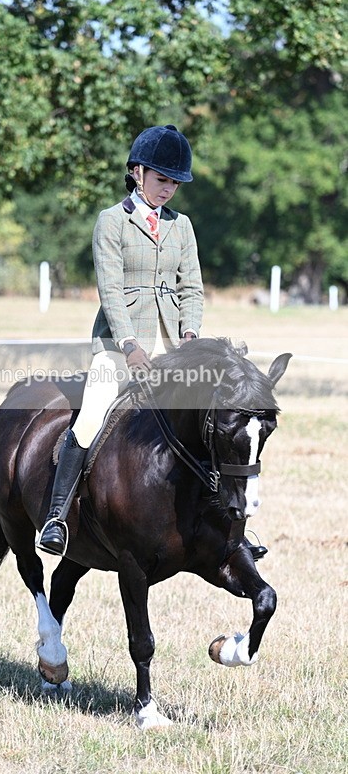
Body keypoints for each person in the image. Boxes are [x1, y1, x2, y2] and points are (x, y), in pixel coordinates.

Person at [36, 124, 267, 561]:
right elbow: (110, 288)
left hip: (171, 348)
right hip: (117, 344)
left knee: (211, 424)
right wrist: (127, 345)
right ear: (138, 173)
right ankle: (57, 517)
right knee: (91, 417)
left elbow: (192, 288)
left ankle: (232, 526)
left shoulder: (182, 227)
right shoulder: (111, 221)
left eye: (175, 183)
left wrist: (190, 333)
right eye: (162, 180)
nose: (169, 190)